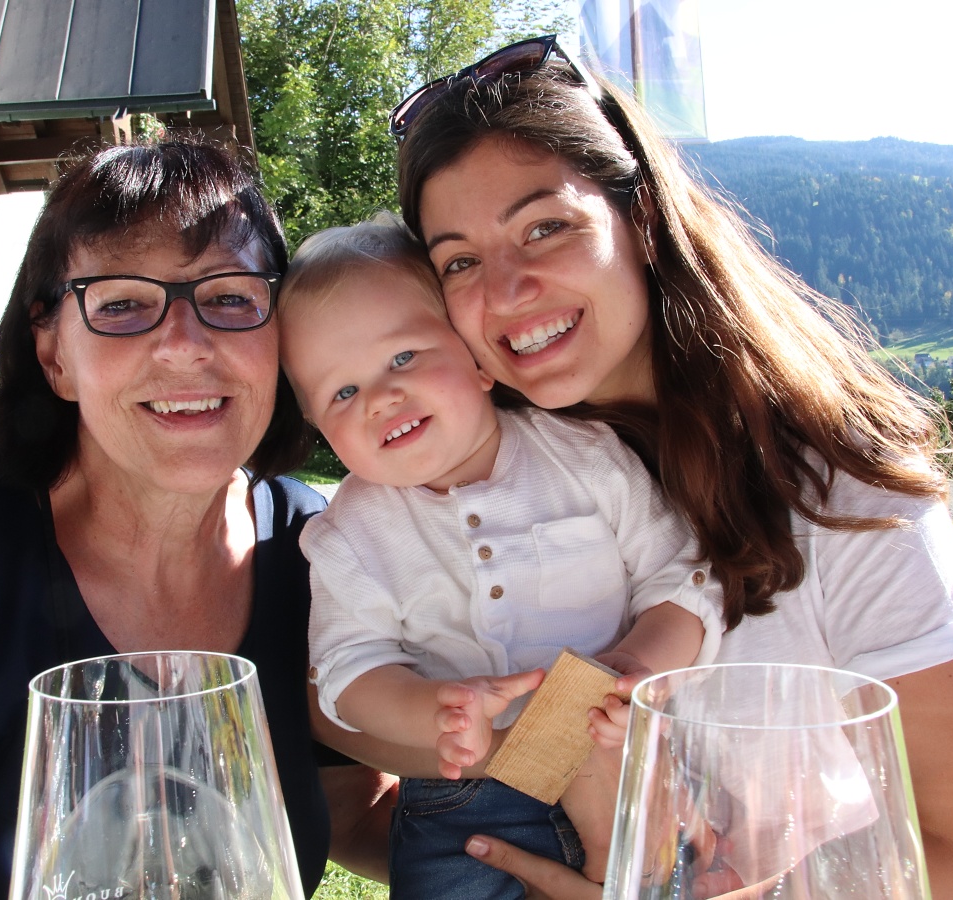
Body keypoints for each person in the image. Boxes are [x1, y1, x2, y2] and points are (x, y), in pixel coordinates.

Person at [391, 35, 953, 900]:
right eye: (460, 261)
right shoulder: (464, 493)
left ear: (643, 221)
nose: (505, 290)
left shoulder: (840, 495)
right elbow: (371, 768)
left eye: (545, 227)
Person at [0, 139, 391, 900]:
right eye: (121, 305)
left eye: (229, 297)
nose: (184, 347)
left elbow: (352, 808)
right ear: (54, 355)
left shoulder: (316, 548)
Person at [277, 213, 723, 898]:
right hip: (462, 804)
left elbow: (683, 580)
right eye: (342, 392)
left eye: (404, 358)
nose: (381, 398)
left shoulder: (585, 458)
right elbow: (347, 673)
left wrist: (640, 666)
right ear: (318, 429)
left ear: (477, 359)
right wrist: (433, 710)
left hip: (624, 760)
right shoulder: (350, 534)